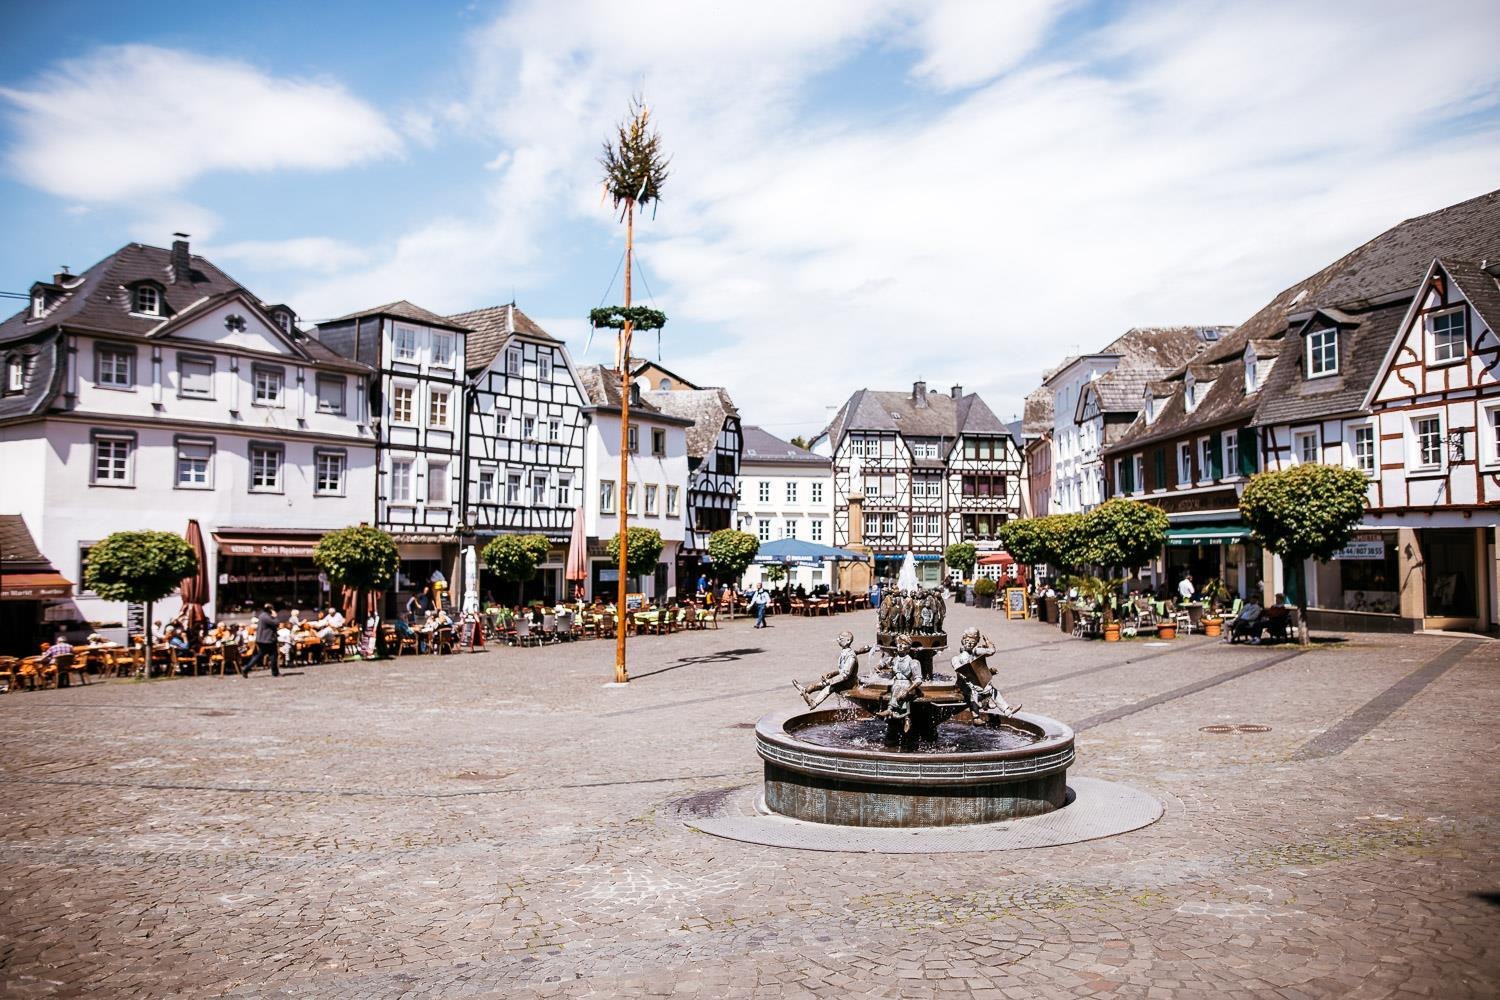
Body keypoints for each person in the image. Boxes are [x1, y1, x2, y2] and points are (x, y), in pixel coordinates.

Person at [793, 630, 870, 709]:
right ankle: (805, 691)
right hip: (845, 680)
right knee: (820, 684)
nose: (837, 640)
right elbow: (842, 671)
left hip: (850, 683)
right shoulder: (845, 652)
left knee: (829, 688)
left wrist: (831, 681)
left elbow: (845, 675)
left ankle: (814, 703)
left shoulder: (851, 657)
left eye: (841, 639)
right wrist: (832, 674)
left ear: (848, 641)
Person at [241, 604, 279, 677]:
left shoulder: (262, 615)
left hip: (262, 639)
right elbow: (276, 623)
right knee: (273, 655)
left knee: (260, 655)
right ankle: (275, 673)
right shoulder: (266, 617)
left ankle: (246, 669)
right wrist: (275, 616)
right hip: (267, 640)